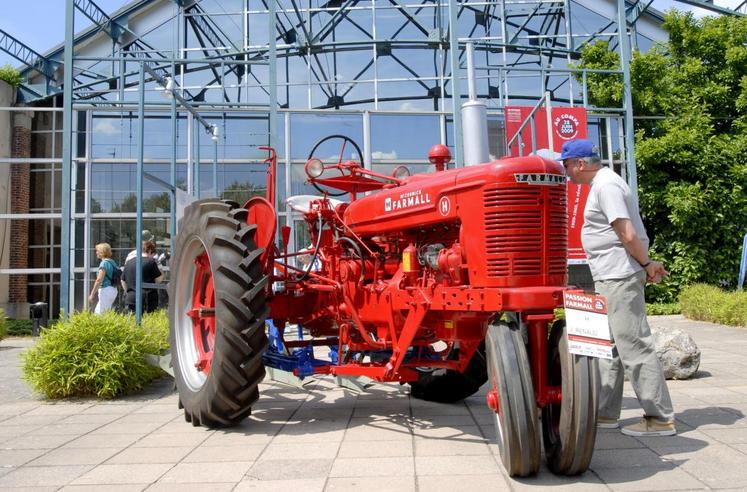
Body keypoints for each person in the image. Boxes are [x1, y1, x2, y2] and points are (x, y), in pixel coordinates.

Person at [561, 138, 675, 437]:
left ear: (580, 164)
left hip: (619, 277)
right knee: (609, 348)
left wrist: (647, 263)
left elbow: (626, 232)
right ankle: (605, 413)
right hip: (610, 276)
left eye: (567, 164)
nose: (566, 171)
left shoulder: (606, 185)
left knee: (634, 345)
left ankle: (659, 418)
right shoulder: (603, 184)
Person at [122, 240, 163, 314]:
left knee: (132, 321)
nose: (153, 256)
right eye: (153, 254)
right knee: (148, 321)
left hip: (131, 298)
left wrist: (128, 291)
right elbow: (159, 279)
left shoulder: (129, 262)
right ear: (150, 251)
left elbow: (123, 281)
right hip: (147, 299)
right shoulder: (151, 262)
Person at [89, 243, 119, 314]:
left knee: (100, 314)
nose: (96, 252)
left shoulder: (104, 263)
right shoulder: (112, 262)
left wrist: (92, 294)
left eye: (97, 251)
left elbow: (99, 280)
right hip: (113, 289)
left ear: (102, 252)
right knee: (103, 312)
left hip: (105, 290)